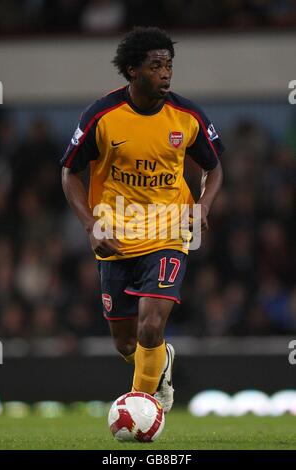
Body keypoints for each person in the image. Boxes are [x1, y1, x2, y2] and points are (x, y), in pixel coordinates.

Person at [60, 26, 224, 412]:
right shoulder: (102, 116)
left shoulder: (187, 116)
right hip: (115, 237)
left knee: (152, 324)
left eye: (168, 65)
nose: (165, 73)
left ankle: (141, 410)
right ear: (133, 70)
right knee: (126, 343)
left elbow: (214, 169)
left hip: (168, 233)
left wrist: (203, 205)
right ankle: (160, 363)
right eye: (155, 66)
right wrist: (90, 226)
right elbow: (69, 172)